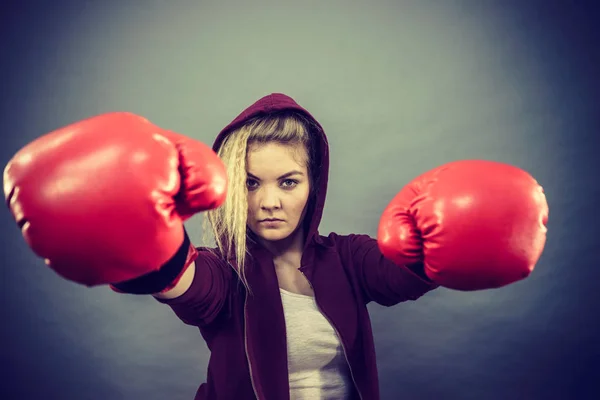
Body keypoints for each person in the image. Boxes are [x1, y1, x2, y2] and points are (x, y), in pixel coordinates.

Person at [4, 93, 549, 400]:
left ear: (313, 185)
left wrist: (456, 238)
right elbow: (191, 287)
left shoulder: (348, 258)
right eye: (250, 182)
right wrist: (154, 258)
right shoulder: (224, 272)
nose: (269, 201)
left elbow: (399, 276)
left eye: (288, 181)